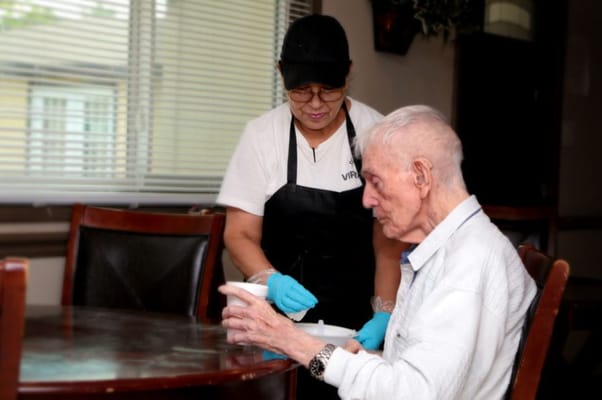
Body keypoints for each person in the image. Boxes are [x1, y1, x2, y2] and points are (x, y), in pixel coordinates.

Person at [219, 105, 538, 400]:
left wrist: (292, 340)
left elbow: (411, 394)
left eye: (376, 182)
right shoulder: (450, 247)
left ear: (421, 177)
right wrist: (343, 355)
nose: (367, 200)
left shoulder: (467, 263)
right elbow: (415, 374)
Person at [216, 14, 406, 399]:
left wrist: (385, 311)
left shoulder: (378, 133)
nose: (316, 104)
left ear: (349, 74)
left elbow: (387, 243)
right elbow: (239, 233)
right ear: (281, 73)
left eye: (329, 90)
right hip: (276, 325)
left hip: (355, 331)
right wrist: (271, 280)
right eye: (301, 91)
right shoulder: (261, 136)